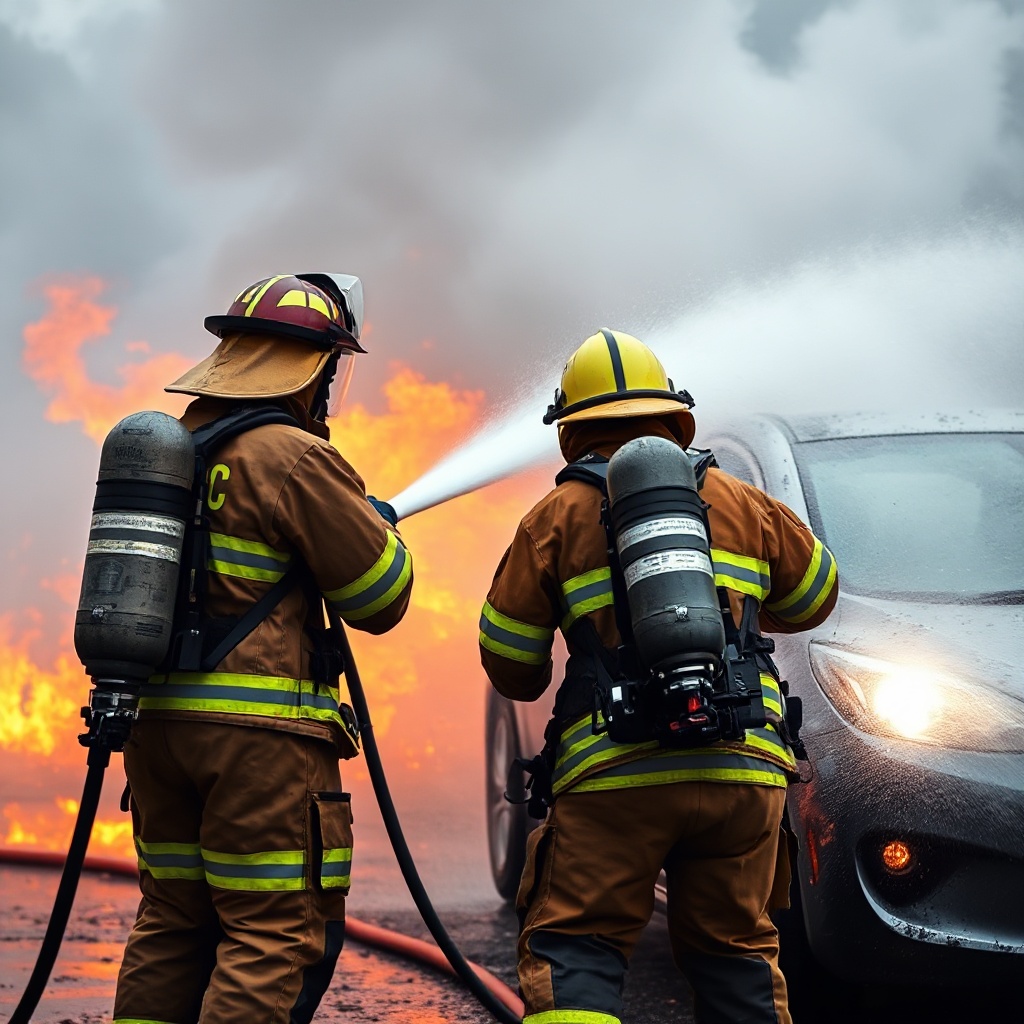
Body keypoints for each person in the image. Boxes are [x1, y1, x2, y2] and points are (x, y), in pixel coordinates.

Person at [479, 329, 838, 1024]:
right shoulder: (744, 503)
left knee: (577, 951)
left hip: (615, 778)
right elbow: (817, 597)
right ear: (675, 417)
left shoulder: (551, 521)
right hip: (742, 769)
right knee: (737, 957)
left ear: (571, 430)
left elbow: (512, 667)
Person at [112, 274, 413, 1024]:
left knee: (173, 923)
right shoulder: (290, 455)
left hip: (155, 732)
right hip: (259, 744)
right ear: (317, 369)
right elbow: (382, 599)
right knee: (270, 932)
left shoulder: (172, 449)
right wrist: (377, 531)